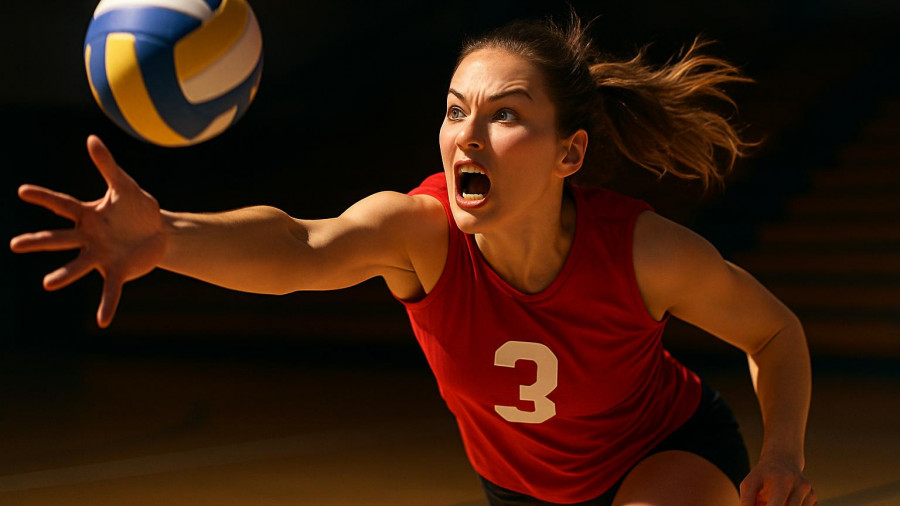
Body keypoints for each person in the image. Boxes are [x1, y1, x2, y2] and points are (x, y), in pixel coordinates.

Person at [10, 13, 816, 506]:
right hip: (520, 491)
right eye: (456, 111)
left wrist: (782, 450)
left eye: (505, 116)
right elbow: (300, 244)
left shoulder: (643, 252)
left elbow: (775, 333)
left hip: (663, 455)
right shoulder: (422, 232)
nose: (469, 134)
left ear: (569, 154)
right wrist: (168, 236)